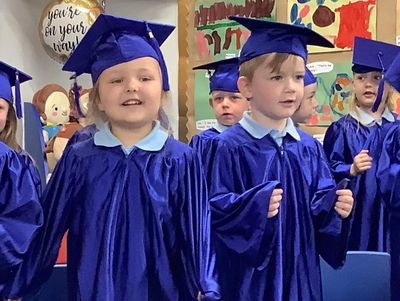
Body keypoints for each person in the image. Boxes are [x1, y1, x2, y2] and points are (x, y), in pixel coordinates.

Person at [2, 14, 219, 301]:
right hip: (94, 289)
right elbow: (49, 229)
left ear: (163, 91)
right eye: (116, 80)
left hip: (162, 291)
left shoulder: (181, 160)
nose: (132, 86)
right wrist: (20, 285)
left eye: (145, 77)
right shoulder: (80, 158)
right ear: (99, 99)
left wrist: (207, 287)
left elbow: (197, 234)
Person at [205, 16, 354, 301]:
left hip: (301, 275)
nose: (291, 88)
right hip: (251, 282)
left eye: (298, 77)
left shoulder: (309, 147)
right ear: (246, 87)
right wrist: (253, 206)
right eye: (277, 77)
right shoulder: (227, 147)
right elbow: (213, 215)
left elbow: (319, 215)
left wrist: (337, 208)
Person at [323, 37, 400, 252]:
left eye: (377, 77)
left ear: (389, 85)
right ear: (353, 82)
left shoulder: (396, 129)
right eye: (361, 77)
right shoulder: (342, 129)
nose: (369, 84)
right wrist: (351, 168)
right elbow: (325, 173)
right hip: (356, 217)